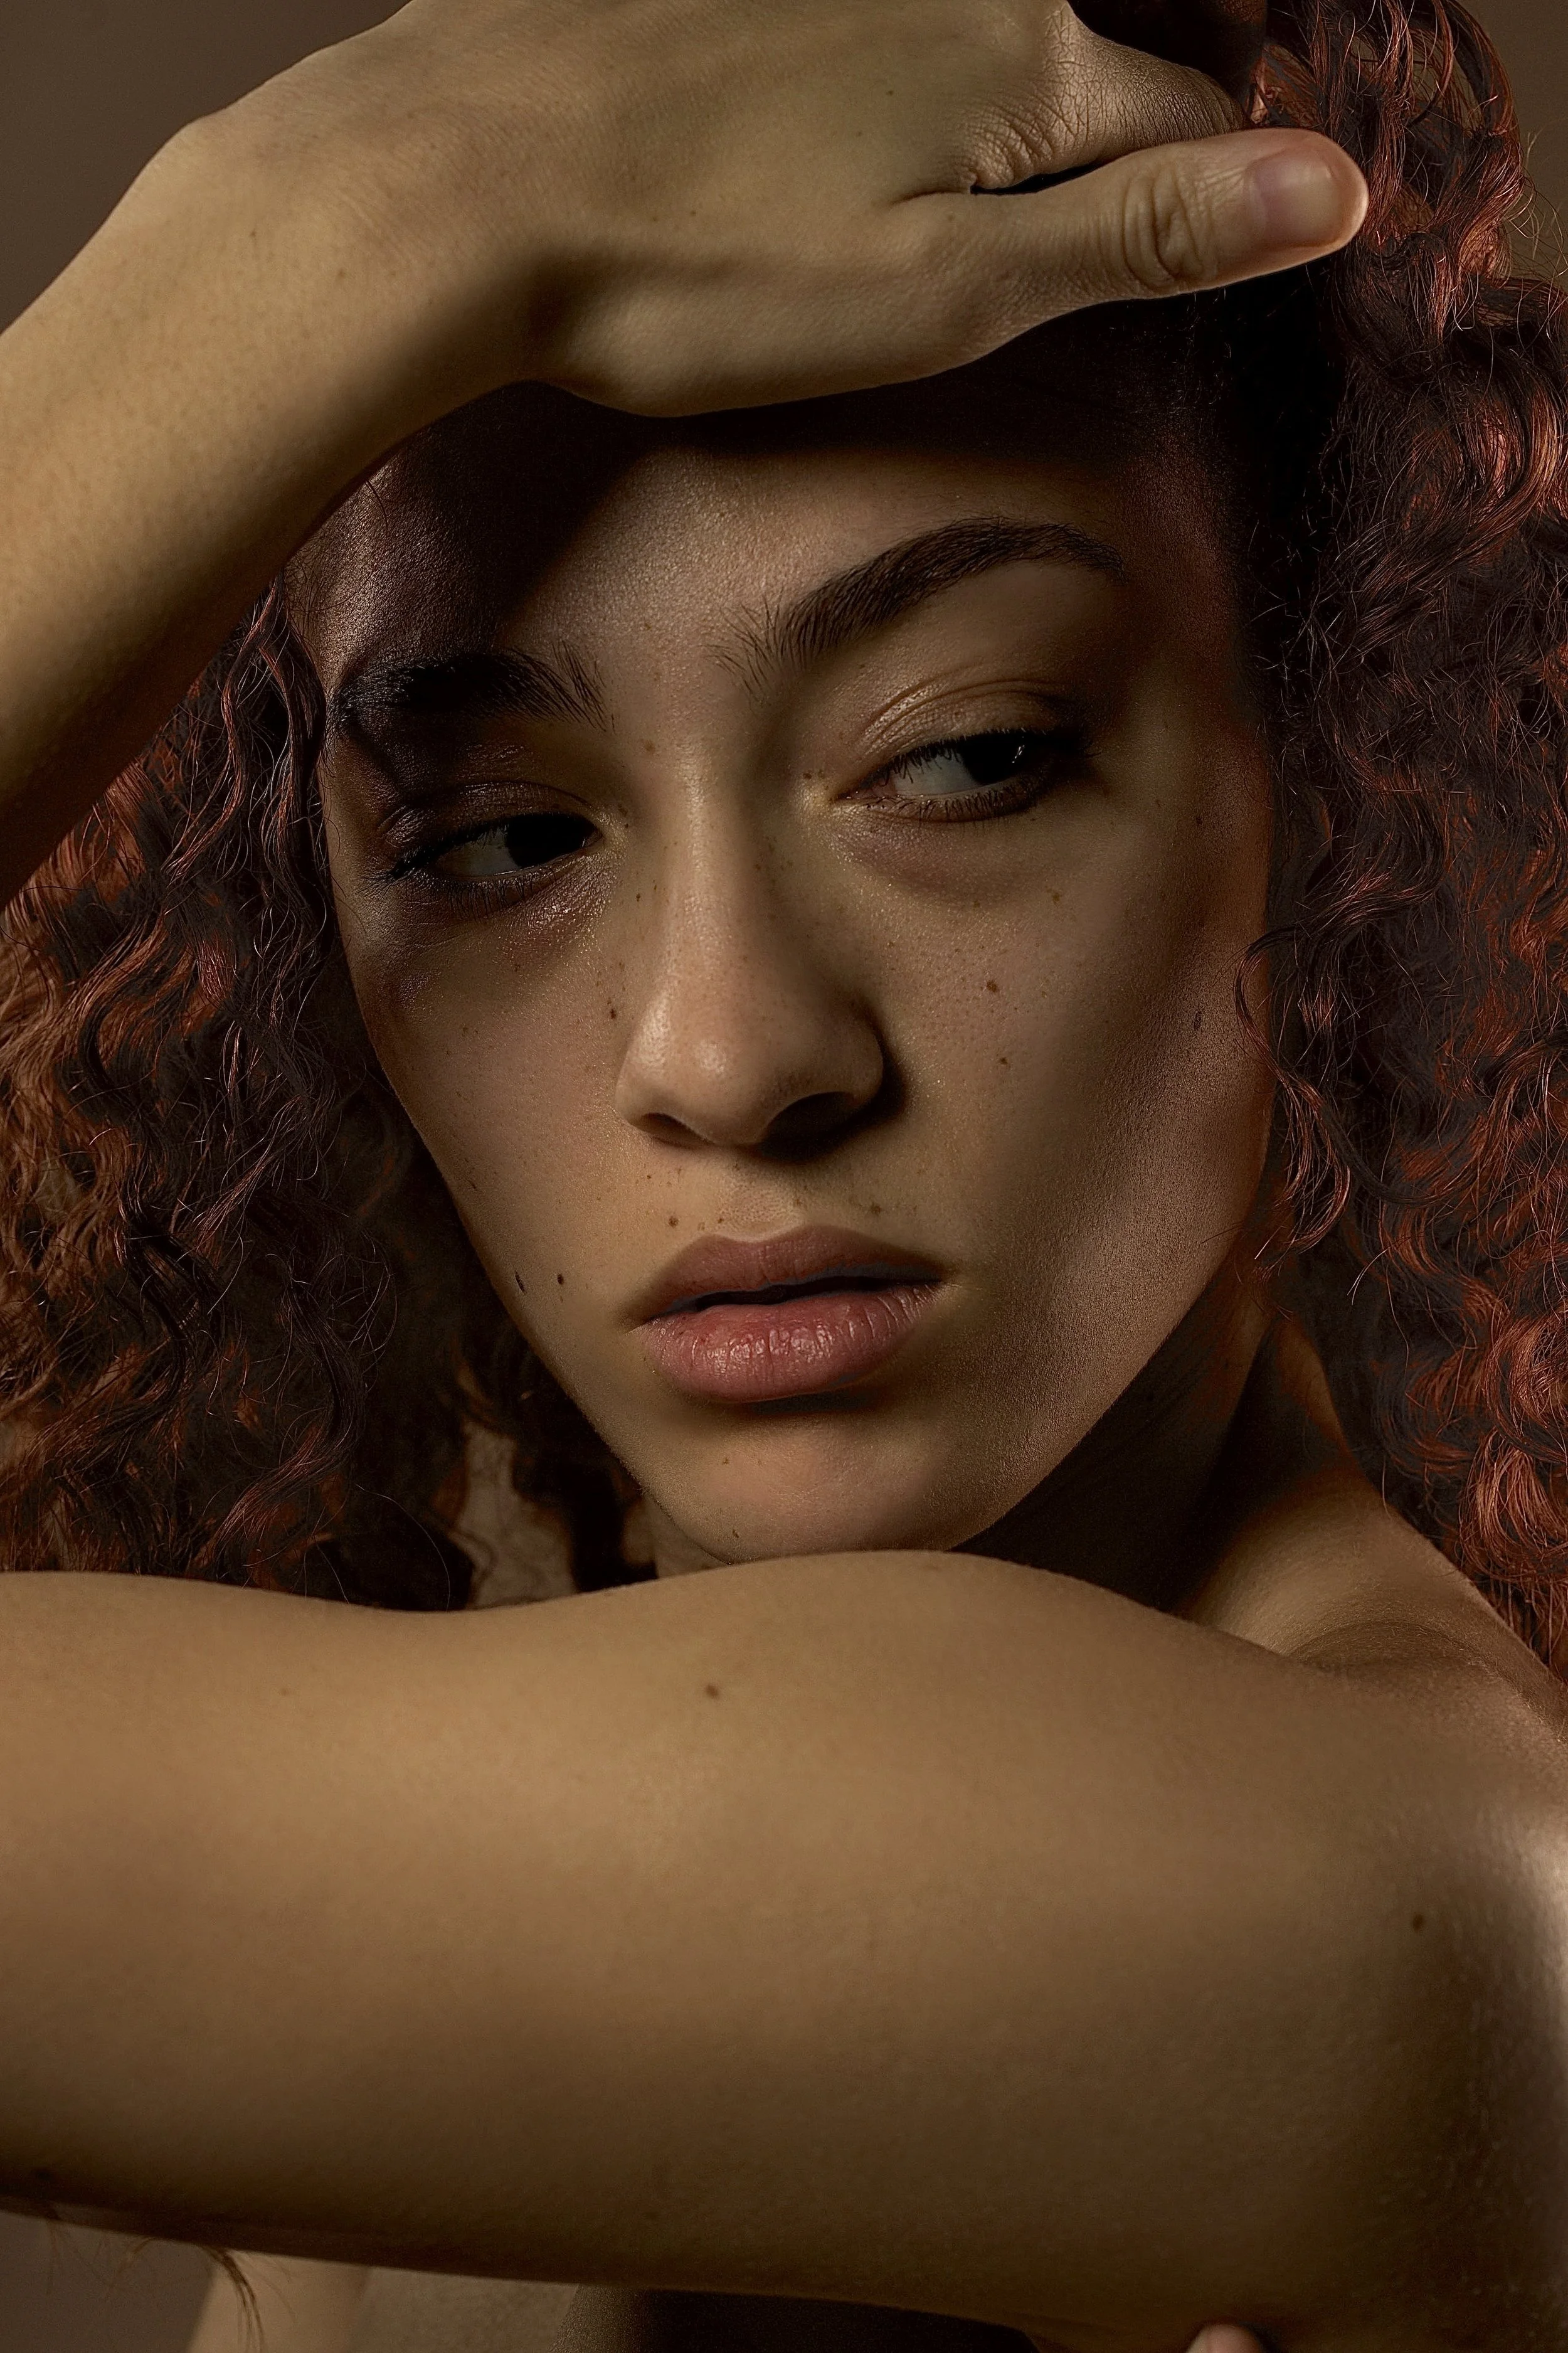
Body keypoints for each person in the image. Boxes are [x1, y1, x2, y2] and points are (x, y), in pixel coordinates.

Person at [0, 0, 1564, 2349]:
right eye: (506, 837)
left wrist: (316, 220)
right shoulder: (404, 1983)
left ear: (1321, 761)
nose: (726, 1051)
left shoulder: (1414, 1924)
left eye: (965, 760)